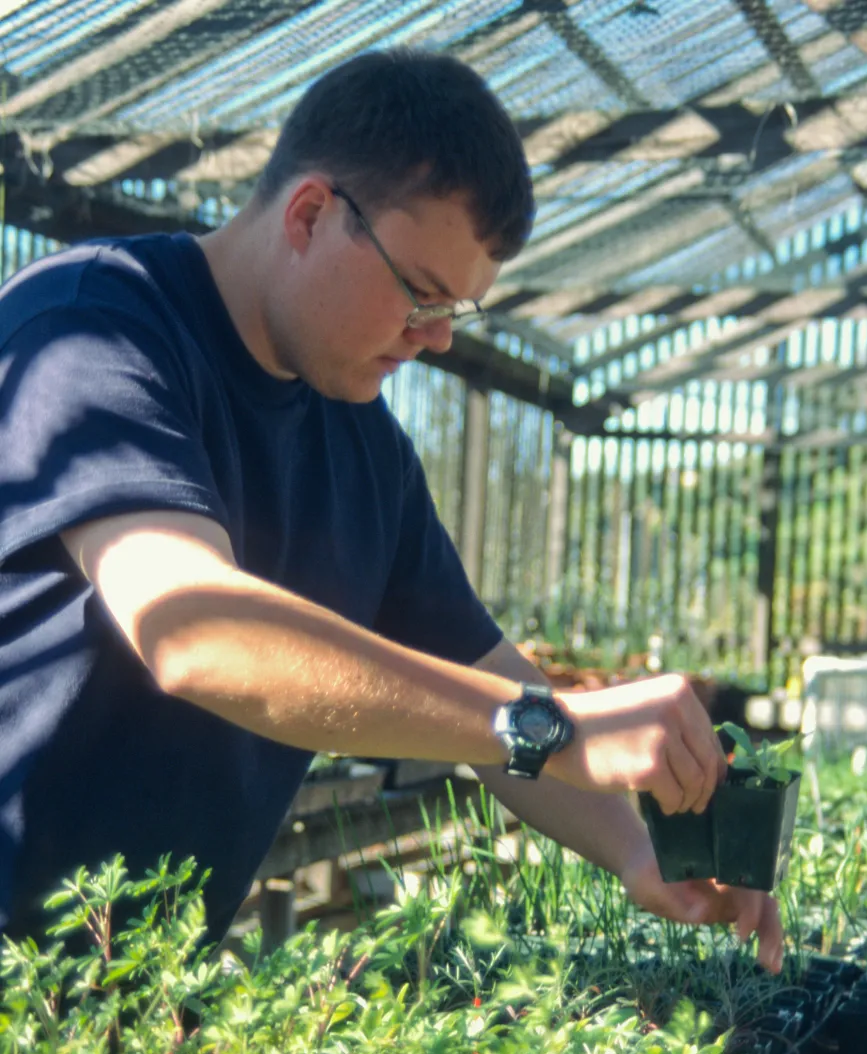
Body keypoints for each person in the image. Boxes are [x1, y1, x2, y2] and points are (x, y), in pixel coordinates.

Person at [0, 48, 783, 972]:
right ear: (309, 214)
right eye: (420, 290)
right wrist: (555, 727)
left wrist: (639, 848)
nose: (440, 336)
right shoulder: (95, 329)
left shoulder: (364, 443)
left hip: (128, 989)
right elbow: (193, 628)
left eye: (458, 307)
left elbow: (484, 678)